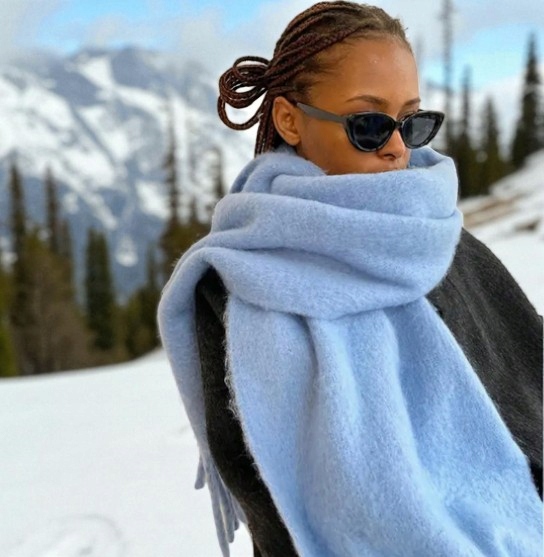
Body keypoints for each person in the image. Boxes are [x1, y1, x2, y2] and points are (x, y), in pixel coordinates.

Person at [158, 2, 543, 556]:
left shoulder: (443, 243)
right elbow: (270, 505)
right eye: (369, 125)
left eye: (412, 122)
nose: (398, 147)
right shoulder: (238, 282)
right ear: (290, 120)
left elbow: (523, 394)